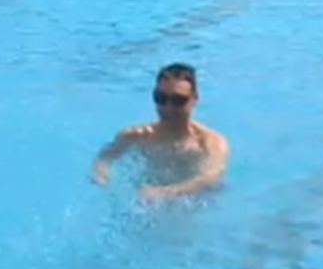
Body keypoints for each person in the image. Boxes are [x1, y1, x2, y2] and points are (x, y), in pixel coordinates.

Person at [92, 63, 229, 200]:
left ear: (195, 99)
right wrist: (101, 173)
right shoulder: (136, 136)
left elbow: (211, 178)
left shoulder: (210, 142)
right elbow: (105, 157)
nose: (168, 107)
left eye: (178, 100)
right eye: (161, 98)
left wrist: (164, 193)